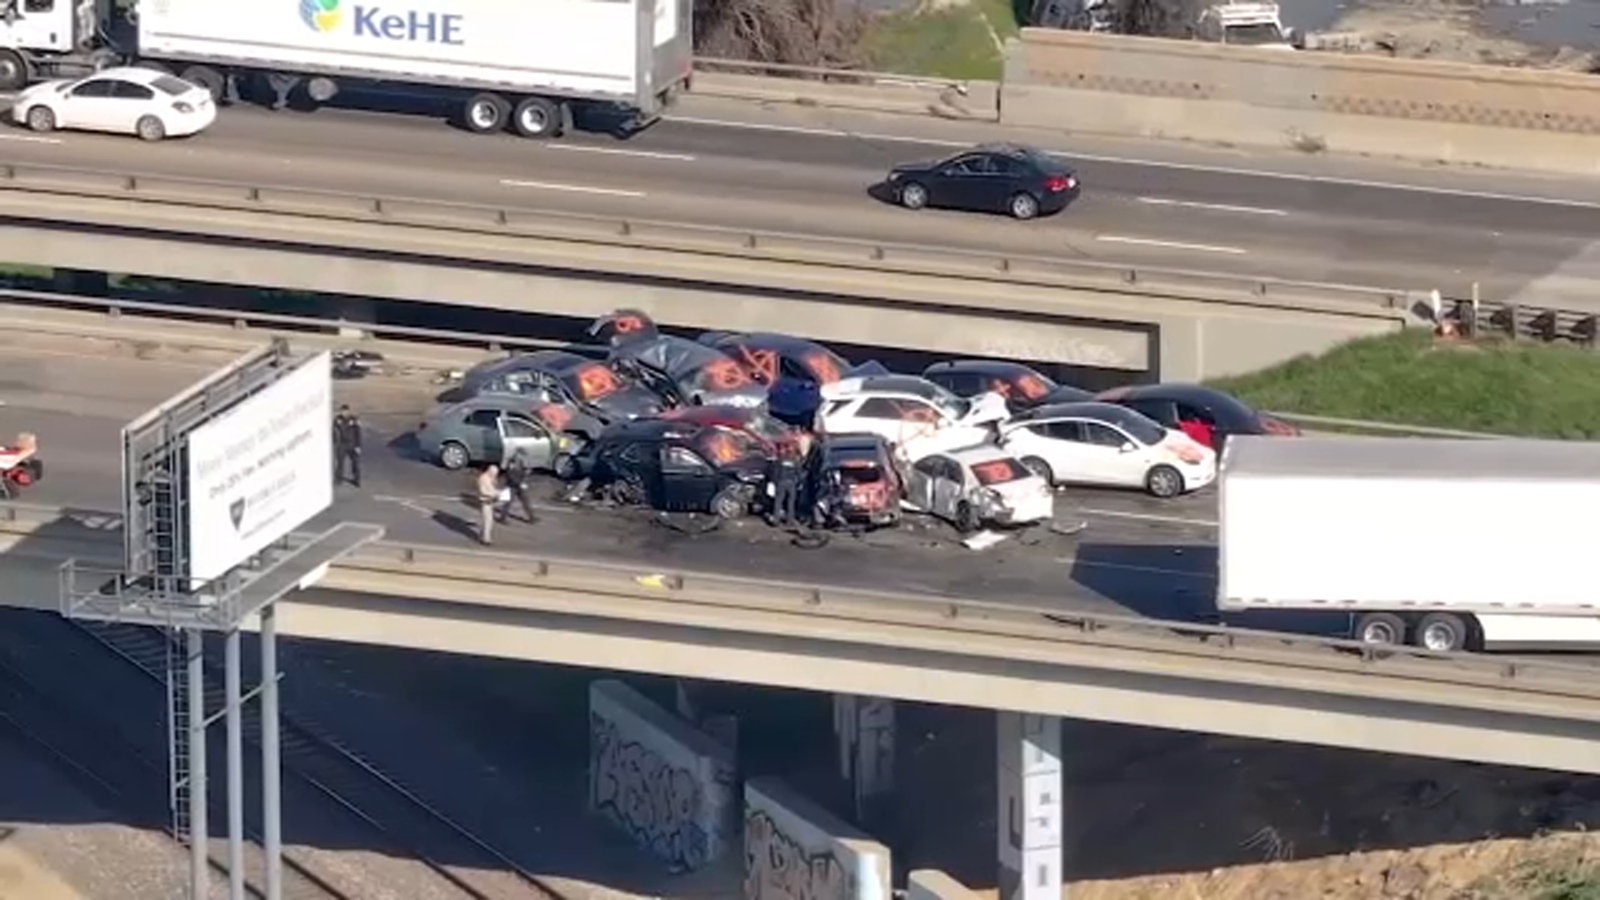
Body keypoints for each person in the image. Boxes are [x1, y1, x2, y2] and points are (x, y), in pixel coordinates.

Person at [502, 451, 539, 524]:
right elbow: (510, 475)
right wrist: (519, 482)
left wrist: (525, 473)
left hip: (518, 484)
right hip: (512, 485)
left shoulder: (520, 462)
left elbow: (521, 472)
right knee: (508, 502)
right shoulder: (512, 462)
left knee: (525, 501)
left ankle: (532, 517)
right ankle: (502, 518)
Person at [333, 405, 362, 488]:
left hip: (352, 444)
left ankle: (356, 480)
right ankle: (339, 479)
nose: (344, 413)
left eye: (345, 411)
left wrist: (358, 445)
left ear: (348, 411)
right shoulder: (338, 419)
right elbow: (334, 431)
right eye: (342, 411)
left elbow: (358, 432)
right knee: (340, 463)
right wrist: (335, 442)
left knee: (355, 463)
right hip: (342, 444)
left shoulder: (354, 419)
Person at [476, 464, 500, 545]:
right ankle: (486, 539)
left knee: (488, 521)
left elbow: (493, 488)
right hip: (485, 501)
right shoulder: (483, 478)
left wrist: (497, 492)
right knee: (488, 521)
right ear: (489, 471)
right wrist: (493, 494)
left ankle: (482, 535)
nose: (495, 475)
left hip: (490, 501)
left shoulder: (491, 478)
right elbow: (483, 491)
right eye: (494, 473)